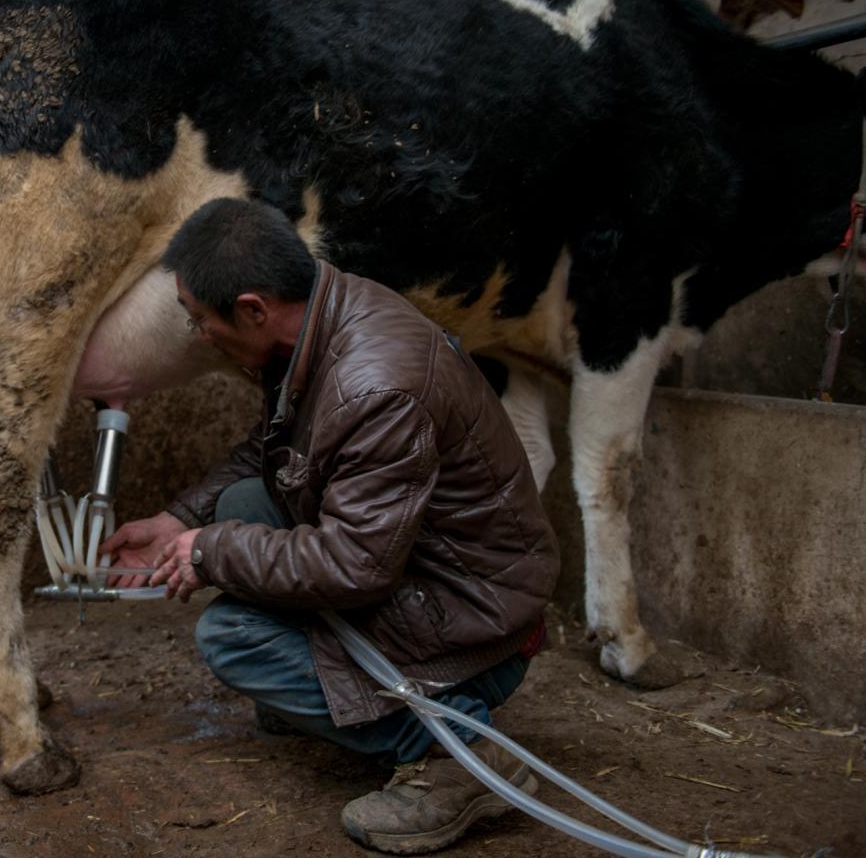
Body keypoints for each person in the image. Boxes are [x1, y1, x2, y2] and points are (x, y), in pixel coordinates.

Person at [99, 198, 560, 854]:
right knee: (239, 506)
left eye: (201, 320)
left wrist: (210, 551)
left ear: (254, 310)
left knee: (232, 638)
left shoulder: (375, 388)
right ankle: (329, 689)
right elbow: (276, 446)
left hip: (475, 623)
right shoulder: (324, 314)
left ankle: (458, 753)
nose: (201, 335)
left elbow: (357, 566)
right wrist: (182, 519)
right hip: (429, 569)